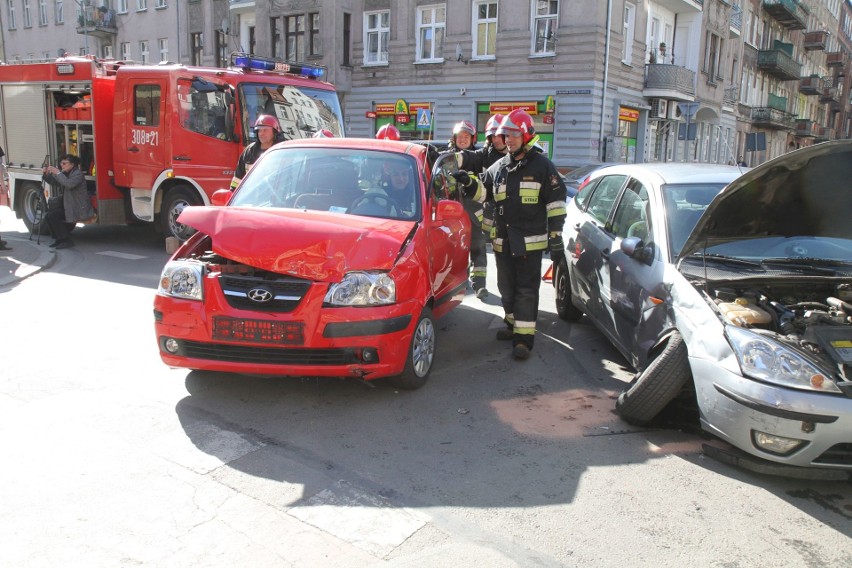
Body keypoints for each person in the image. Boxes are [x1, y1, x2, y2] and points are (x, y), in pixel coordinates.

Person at [480, 109, 567, 360]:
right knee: (505, 288)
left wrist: (556, 237)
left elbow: (556, 203)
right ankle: (512, 325)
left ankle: (524, 339)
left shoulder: (542, 166)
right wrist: (466, 181)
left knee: (526, 290)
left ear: (526, 134)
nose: (509, 139)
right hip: (503, 241)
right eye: (506, 135)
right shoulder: (499, 167)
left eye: (514, 134)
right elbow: (483, 192)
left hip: (529, 243)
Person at [447, 120, 490, 298]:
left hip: (475, 214)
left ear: (473, 139)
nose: (463, 139)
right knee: (455, 251)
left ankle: (479, 285)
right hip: (453, 215)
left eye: (466, 136)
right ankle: (458, 283)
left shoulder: (479, 158)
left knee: (478, 250)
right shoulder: (447, 159)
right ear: (454, 138)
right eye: (460, 136)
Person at [42, 154, 95, 249]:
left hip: (78, 207)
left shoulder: (77, 174)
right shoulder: (66, 174)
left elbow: (69, 184)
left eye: (64, 163)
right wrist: (46, 175)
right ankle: (59, 239)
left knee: (54, 216)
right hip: (69, 206)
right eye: (61, 163)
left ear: (72, 164)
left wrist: (58, 173)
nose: (62, 165)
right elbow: (55, 183)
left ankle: (66, 240)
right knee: (49, 216)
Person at [230, 114, 284, 190]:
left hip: (275, 198)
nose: (261, 133)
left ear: (274, 132)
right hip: (251, 198)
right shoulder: (249, 151)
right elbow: (237, 179)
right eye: (259, 130)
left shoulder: (282, 151)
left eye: (265, 130)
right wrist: (232, 193)